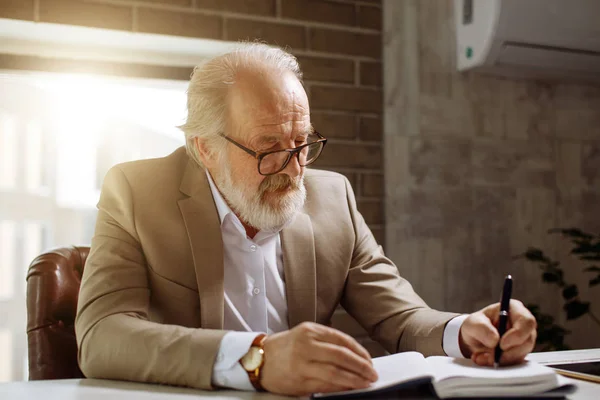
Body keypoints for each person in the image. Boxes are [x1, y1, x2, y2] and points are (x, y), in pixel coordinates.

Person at [74, 42, 537, 396]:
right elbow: (102, 336)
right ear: (205, 149)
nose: (295, 169)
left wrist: (466, 331)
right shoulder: (136, 193)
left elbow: (401, 317)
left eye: (302, 143)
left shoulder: (331, 197)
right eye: (270, 149)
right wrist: (257, 359)